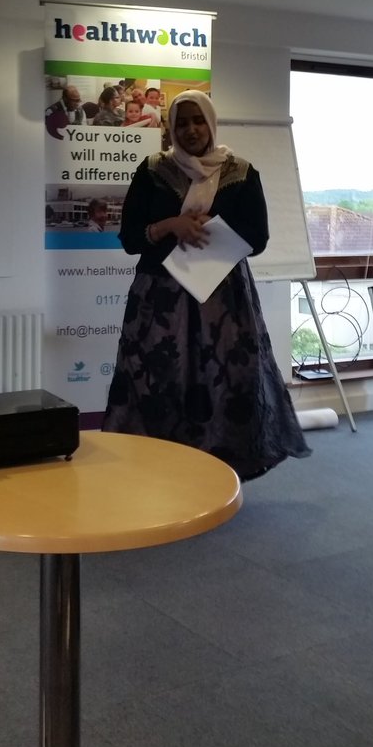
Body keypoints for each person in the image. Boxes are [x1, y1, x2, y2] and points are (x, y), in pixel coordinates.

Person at [103, 89, 310, 481]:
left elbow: (258, 238)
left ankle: (216, 477)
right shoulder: (152, 171)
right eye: (182, 123)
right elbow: (130, 238)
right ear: (171, 128)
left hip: (224, 301)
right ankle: (159, 477)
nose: (191, 129)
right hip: (161, 300)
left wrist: (214, 230)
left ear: (211, 124)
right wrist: (170, 225)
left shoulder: (241, 173)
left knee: (225, 383)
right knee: (159, 381)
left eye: (199, 120)